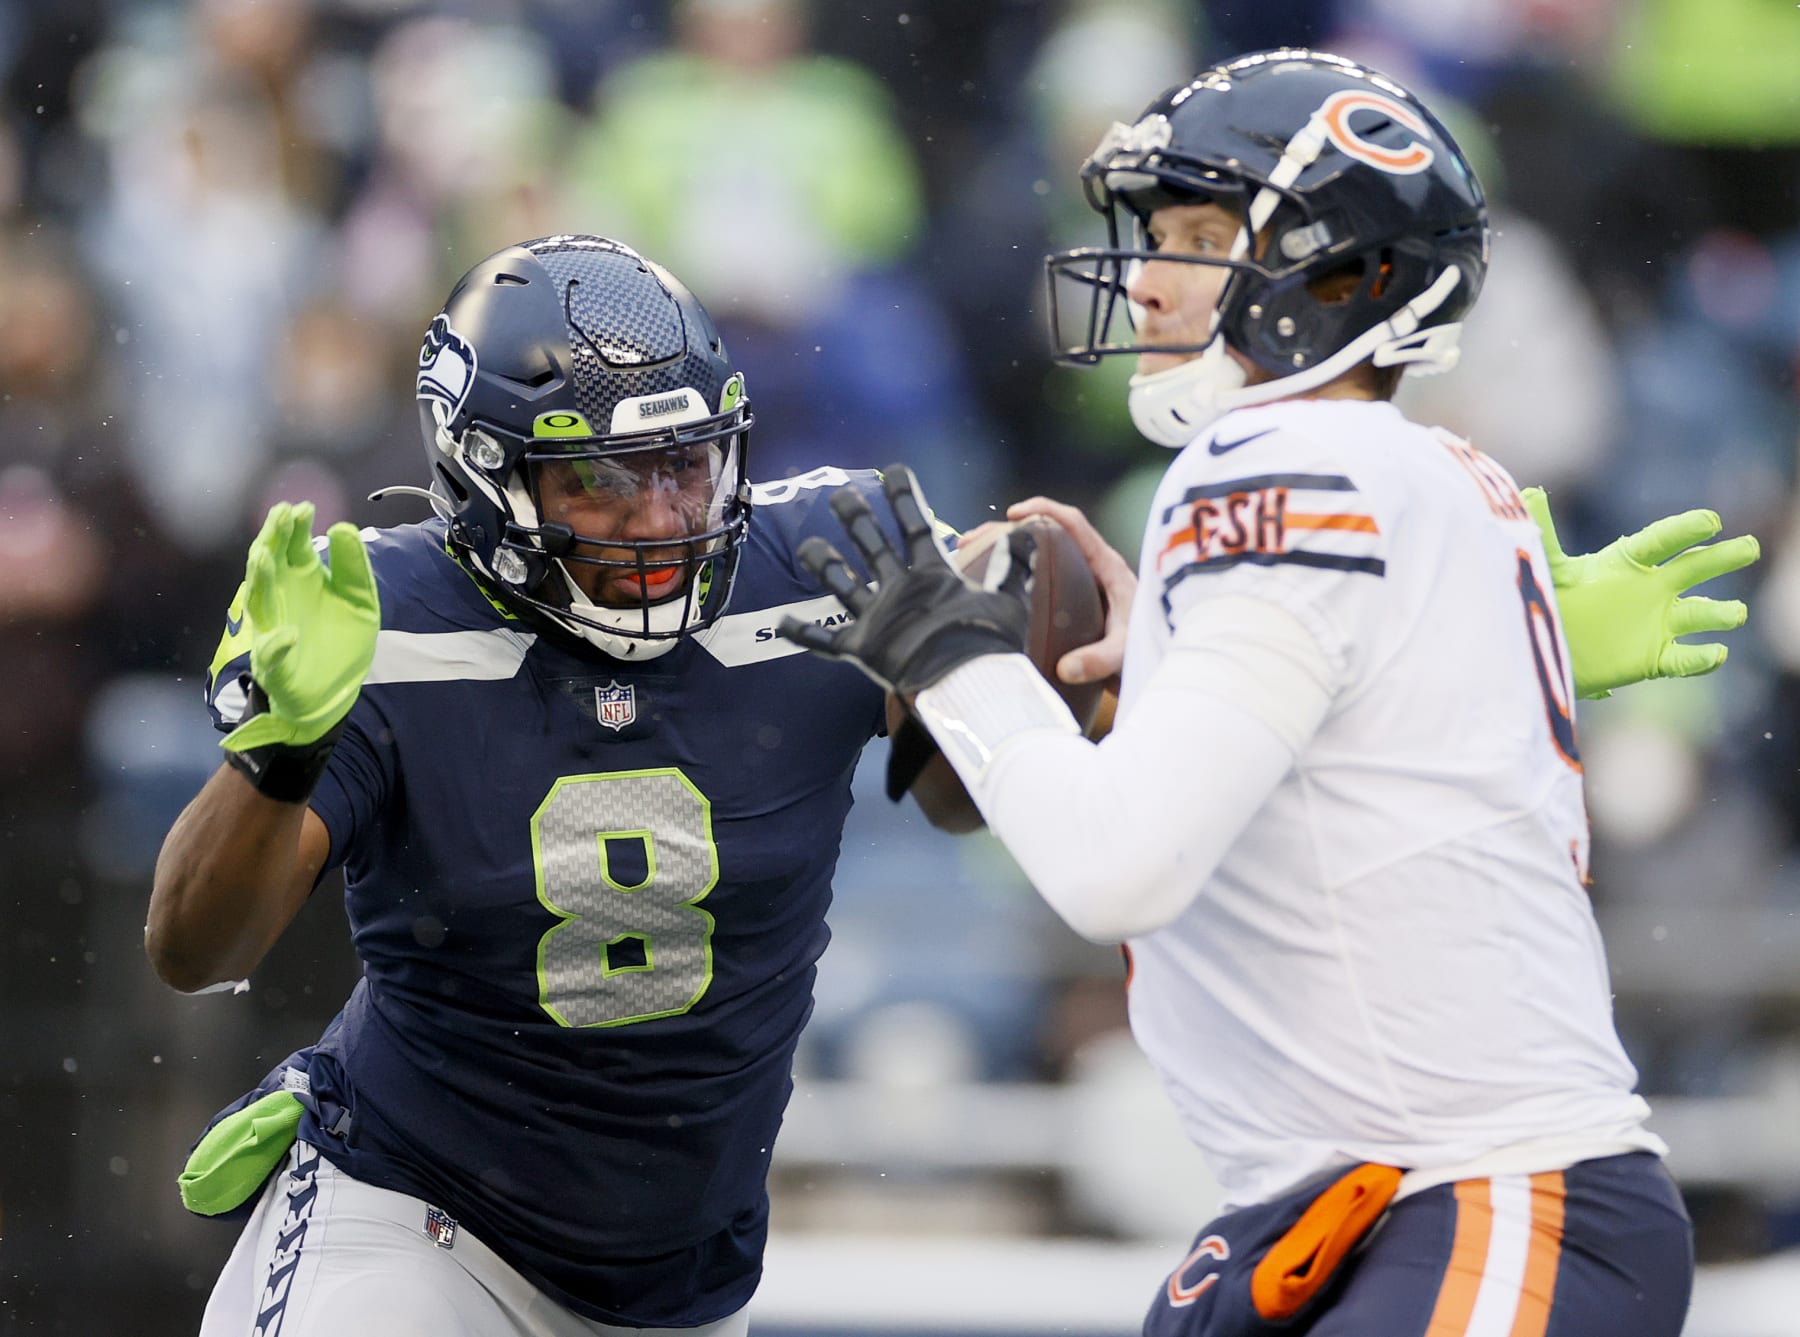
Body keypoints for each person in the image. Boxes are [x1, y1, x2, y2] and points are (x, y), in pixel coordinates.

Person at [779, 49, 1759, 1337]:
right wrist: (1162, 664)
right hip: (1347, 1206)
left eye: (1196, 236)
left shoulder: (1276, 459)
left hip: (1467, 1189)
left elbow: (1120, 869)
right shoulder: (1427, 465)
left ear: (1343, 273)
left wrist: (947, 655)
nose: (1149, 275)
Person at [146, 234, 927, 1336]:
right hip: (418, 1223)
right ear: (484, 474)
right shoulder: (383, 618)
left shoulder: (831, 557)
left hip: (684, 1287)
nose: (660, 517)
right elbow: (196, 951)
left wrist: (1015, 643)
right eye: (603, 476)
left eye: (685, 462)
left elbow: (962, 794)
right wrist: (274, 756)